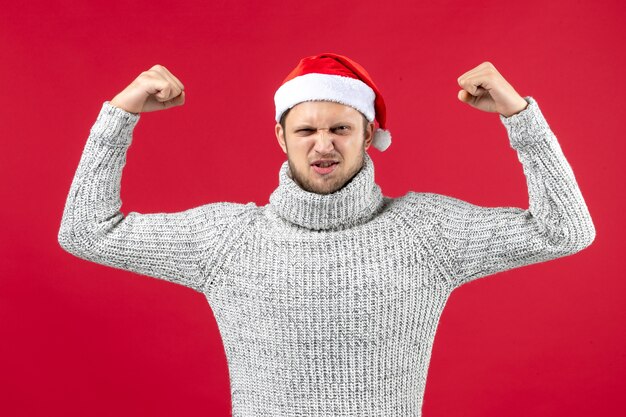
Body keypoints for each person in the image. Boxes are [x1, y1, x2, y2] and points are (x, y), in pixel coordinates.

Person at [58, 53, 596, 417]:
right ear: (280, 136)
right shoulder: (228, 239)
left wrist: (519, 116)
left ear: (369, 134)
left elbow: (565, 230)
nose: (323, 145)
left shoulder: (425, 233)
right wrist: (122, 112)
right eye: (306, 129)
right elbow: (86, 231)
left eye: (340, 128)